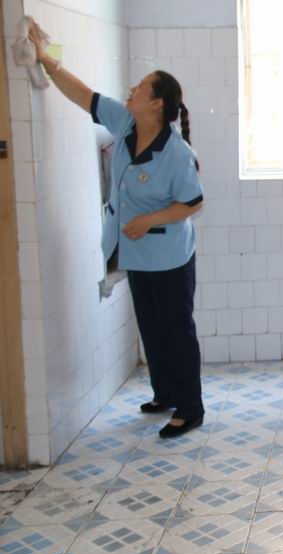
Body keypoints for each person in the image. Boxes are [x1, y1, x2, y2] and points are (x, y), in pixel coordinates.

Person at [30, 23, 206, 438]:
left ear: (156, 104)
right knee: (150, 326)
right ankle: (165, 393)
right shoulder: (126, 125)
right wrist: (46, 59)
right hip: (136, 253)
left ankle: (190, 407)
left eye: (140, 87)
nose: (132, 89)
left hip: (169, 256)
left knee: (176, 329)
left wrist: (148, 219)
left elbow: (193, 203)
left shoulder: (176, 153)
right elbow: (84, 96)